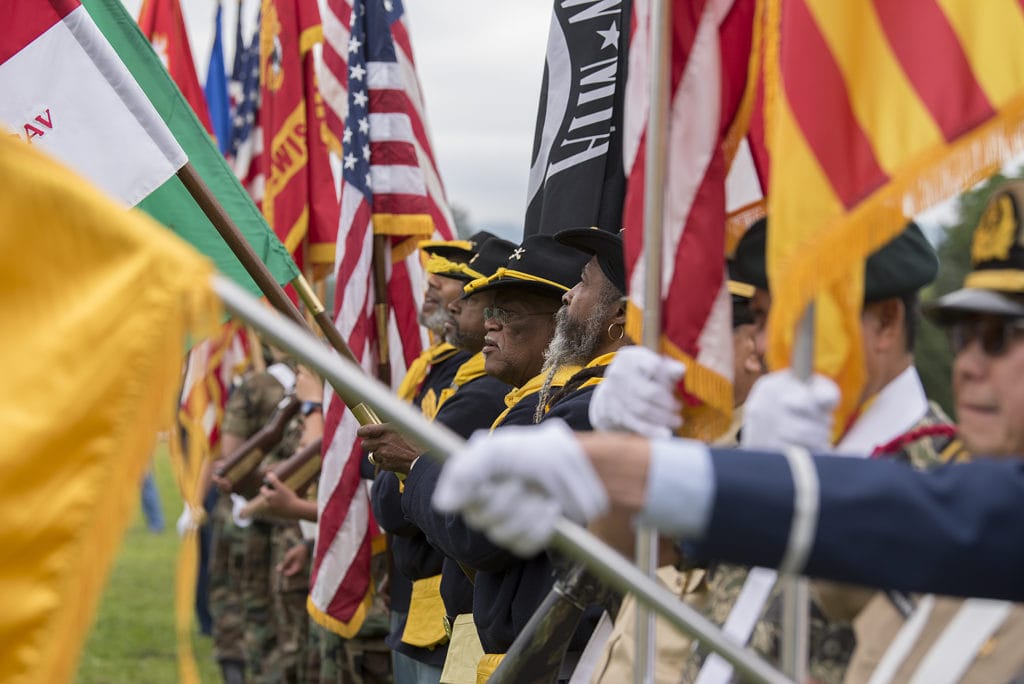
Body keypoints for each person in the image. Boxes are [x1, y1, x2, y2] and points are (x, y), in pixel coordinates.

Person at [360, 236, 515, 684]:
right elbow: (371, 466)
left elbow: (392, 501)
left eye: (461, 292)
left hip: (454, 607)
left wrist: (405, 464)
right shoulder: (440, 372)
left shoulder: (480, 393)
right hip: (424, 593)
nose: (446, 305)